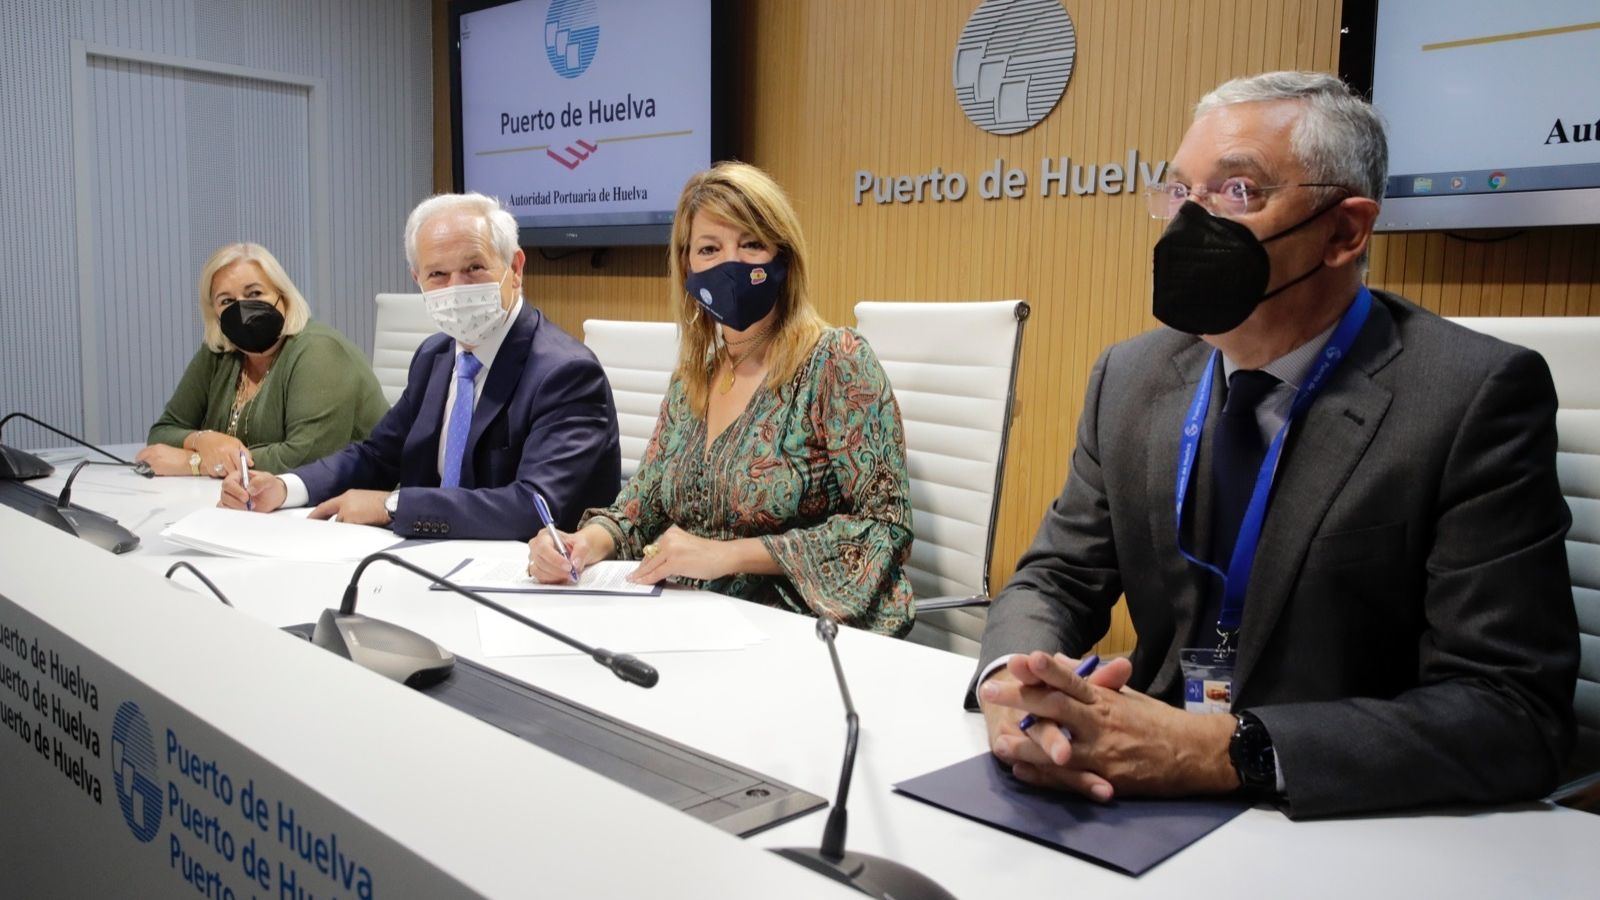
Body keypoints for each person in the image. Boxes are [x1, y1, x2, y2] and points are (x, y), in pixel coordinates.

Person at [972, 72, 1577, 818]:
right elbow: (1057, 577)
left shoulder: (1471, 397)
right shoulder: (1130, 377)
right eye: (1180, 192)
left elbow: (1513, 710)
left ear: (1344, 231)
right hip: (1131, 791)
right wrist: (1016, 685)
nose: (1190, 224)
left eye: (1238, 192)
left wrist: (1225, 751)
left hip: (1341, 815)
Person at [526, 162, 915, 636]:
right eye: (709, 249)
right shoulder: (693, 379)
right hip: (687, 619)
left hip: (796, 629)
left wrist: (728, 555)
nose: (731, 263)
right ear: (687, 267)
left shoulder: (837, 361)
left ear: (783, 256)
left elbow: (885, 526)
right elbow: (639, 507)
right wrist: (583, 543)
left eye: (751, 244)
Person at [220, 192, 621, 540]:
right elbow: (377, 456)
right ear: (418, 280)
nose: (456, 288)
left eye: (474, 268)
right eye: (437, 275)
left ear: (515, 269)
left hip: (527, 575)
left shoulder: (565, 373)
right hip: (428, 561)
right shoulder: (435, 356)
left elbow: (534, 506)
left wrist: (393, 506)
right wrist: (286, 487)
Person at [138, 243, 387, 478]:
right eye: (226, 301)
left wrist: (197, 462)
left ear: (283, 296)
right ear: (214, 311)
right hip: (256, 500)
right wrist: (203, 440)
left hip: (355, 499)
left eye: (255, 293)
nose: (242, 308)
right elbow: (162, 434)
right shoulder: (220, 352)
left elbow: (304, 458)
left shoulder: (319, 351)